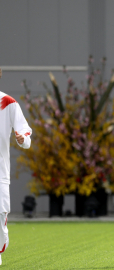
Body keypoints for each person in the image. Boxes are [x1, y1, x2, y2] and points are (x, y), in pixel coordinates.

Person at [0, 68, 33, 265]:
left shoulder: (8, 103)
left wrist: (21, 138)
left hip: (0, 172)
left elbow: (25, 132)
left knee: (0, 217)